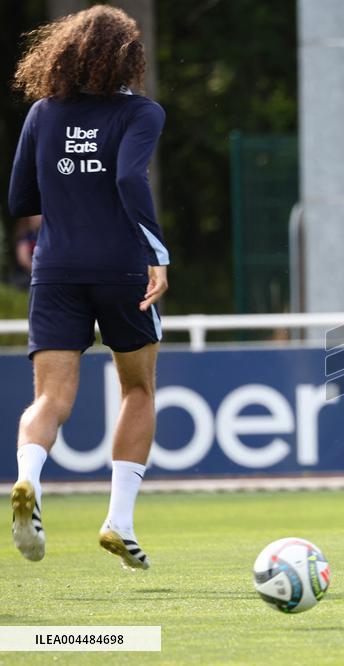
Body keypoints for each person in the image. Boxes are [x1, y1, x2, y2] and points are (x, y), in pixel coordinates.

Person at [7, 5, 169, 570]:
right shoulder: (142, 113)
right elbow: (128, 177)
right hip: (123, 267)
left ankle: (28, 479)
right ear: (129, 55)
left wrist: (67, 197)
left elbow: (19, 200)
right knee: (138, 390)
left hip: (55, 269)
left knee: (50, 398)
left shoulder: (43, 113)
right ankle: (118, 521)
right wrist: (158, 252)